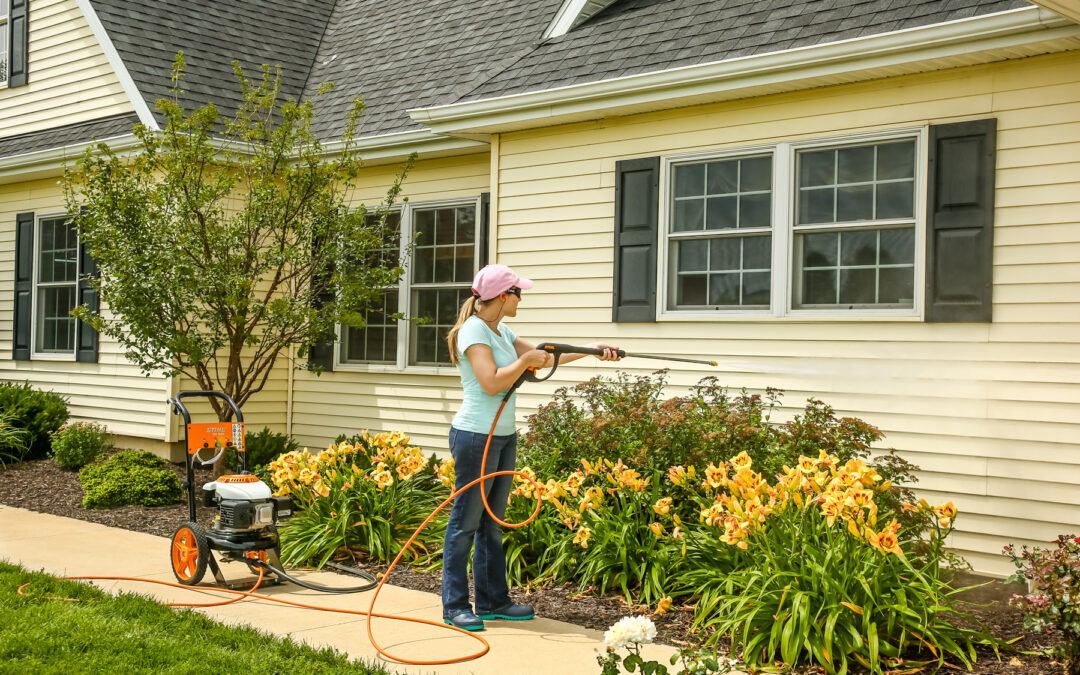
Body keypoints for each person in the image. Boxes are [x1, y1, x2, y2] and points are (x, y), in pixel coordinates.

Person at [441, 263, 620, 631]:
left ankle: (493, 602)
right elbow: (491, 382)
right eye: (518, 292)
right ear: (504, 296)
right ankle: (455, 606)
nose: (522, 298)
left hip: (503, 436)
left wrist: (593, 351)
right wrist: (524, 361)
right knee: (465, 524)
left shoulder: (501, 330)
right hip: (476, 436)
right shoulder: (474, 331)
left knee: (493, 525)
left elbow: (544, 357)